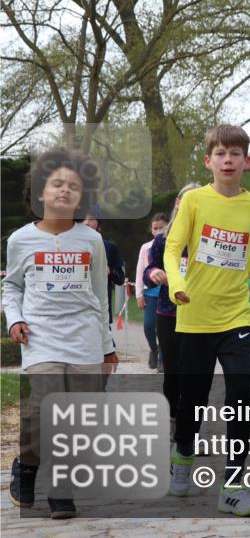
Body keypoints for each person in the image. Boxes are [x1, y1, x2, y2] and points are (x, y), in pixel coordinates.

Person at [5, 147, 117, 519]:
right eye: (56, 184)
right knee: (42, 411)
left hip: (84, 337)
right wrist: (13, 319)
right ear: (39, 191)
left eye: (73, 186)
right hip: (41, 338)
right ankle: (28, 463)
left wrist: (107, 348)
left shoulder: (91, 241)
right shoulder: (20, 240)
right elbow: (12, 287)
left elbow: (100, 295)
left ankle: (61, 489)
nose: (64, 191)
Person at [163, 125, 250, 517]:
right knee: (194, 400)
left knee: (242, 399)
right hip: (194, 315)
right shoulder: (194, 200)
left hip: (236, 316)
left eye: (235, 153)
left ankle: (233, 487)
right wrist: (176, 286)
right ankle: (184, 455)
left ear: (246, 161)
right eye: (221, 153)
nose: (228, 159)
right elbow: (173, 249)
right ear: (208, 161)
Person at [144, 183, 201, 438]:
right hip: (168, 313)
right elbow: (149, 270)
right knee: (173, 371)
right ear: (178, 202)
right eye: (187, 199)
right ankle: (174, 416)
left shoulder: (206, 240)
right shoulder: (161, 240)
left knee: (196, 371)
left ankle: (191, 427)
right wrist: (153, 273)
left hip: (199, 315)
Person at [136, 212, 168, 370]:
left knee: (163, 327)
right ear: (151, 229)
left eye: (161, 228)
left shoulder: (171, 244)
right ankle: (154, 350)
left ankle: (163, 357)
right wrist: (139, 294)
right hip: (150, 293)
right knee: (149, 326)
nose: (158, 231)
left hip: (166, 293)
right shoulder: (145, 247)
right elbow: (140, 270)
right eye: (155, 228)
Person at [83, 211, 126, 323]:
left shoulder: (109, 247)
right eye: (83, 219)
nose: (87, 223)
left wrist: (109, 271)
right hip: (75, 312)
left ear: (99, 224)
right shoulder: (68, 247)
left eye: (91, 219)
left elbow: (120, 279)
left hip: (101, 312)